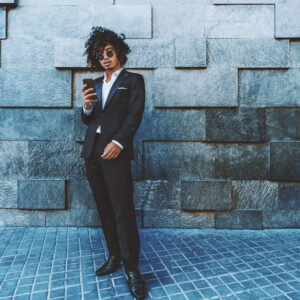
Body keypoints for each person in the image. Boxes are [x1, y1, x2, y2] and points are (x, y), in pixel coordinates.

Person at [80, 26, 146, 300]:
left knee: (122, 210)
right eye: (99, 54)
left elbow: (134, 115)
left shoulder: (133, 81)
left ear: (119, 52)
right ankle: (115, 257)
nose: (105, 58)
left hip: (115, 153)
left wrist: (118, 143)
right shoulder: (94, 83)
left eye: (109, 52)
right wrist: (85, 107)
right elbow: (90, 119)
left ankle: (132, 270)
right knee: (105, 210)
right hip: (92, 153)